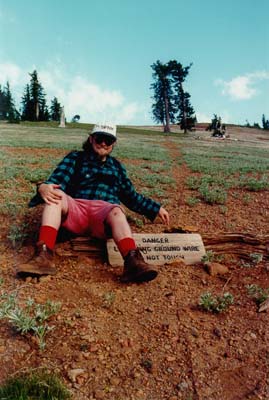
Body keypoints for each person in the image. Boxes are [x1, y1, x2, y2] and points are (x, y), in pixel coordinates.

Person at [16, 124, 170, 283]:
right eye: (100, 138)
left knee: (117, 211)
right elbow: (56, 181)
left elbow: (130, 196)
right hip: (76, 210)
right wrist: (43, 187)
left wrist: (156, 208)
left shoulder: (117, 167)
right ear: (91, 139)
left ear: (113, 144)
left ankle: (133, 262)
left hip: (104, 215)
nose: (103, 143)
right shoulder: (76, 158)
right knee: (57, 196)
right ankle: (43, 255)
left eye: (108, 140)